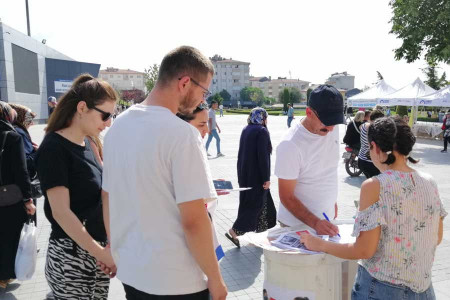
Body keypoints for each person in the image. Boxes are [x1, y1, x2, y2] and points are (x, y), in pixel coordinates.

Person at [101, 46, 227, 300]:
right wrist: (215, 279)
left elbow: (107, 197)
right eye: (203, 91)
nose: (202, 99)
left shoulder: (118, 127)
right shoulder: (183, 135)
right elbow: (194, 220)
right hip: (177, 281)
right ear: (184, 83)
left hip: (133, 273)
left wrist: (114, 247)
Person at [300, 116, 447, 300]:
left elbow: (363, 250)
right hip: (424, 289)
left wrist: (318, 244)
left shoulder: (375, 185)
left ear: (376, 148)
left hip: (381, 290)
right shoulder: (430, 181)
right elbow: (437, 237)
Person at [35, 74, 117, 299]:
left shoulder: (89, 143)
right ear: (82, 108)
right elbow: (61, 213)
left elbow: (103, 196)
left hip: (95, 253)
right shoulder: (54, 148)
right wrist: (101, 253)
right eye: (105, 115)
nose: (109, 122)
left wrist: (107, 247)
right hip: (70, 255)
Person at [274, 85, 344, 236]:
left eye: (335, 122)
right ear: (309, 112)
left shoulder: (331, 127)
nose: (331, 129)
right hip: (297, 227)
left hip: (327, 221)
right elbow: (286, 196)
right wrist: (315, 222)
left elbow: (327, 170)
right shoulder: (290, 144)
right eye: (326, 122)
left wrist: (332, 203)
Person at [225, 108, 277, 247]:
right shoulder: (262, 131)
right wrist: (266, 178)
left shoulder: (246, 129)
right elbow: (263, 157)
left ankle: (262, 234)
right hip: (257, 176)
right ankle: (235, 230)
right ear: (262, 118)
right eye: (266, 117)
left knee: (264, 204)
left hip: (245, 173)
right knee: (254, 204)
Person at [0, 101, 36, 289]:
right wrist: (28, 200)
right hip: (9, 198)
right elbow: (21, 172)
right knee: (9, 236)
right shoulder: (12, 137)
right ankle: (4, 276)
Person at [9, 103, 39, 224]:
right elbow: (25, 162)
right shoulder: (19, 132)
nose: (32, 123)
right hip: (21, 191)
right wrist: (37, 153)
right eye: (28, 119)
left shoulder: (11, 129)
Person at [357, 109, 384, 178]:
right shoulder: (374, 129)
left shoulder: (363, 125)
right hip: (370, 162)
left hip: (361, 159)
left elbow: (360, 128)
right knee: (376, 186)